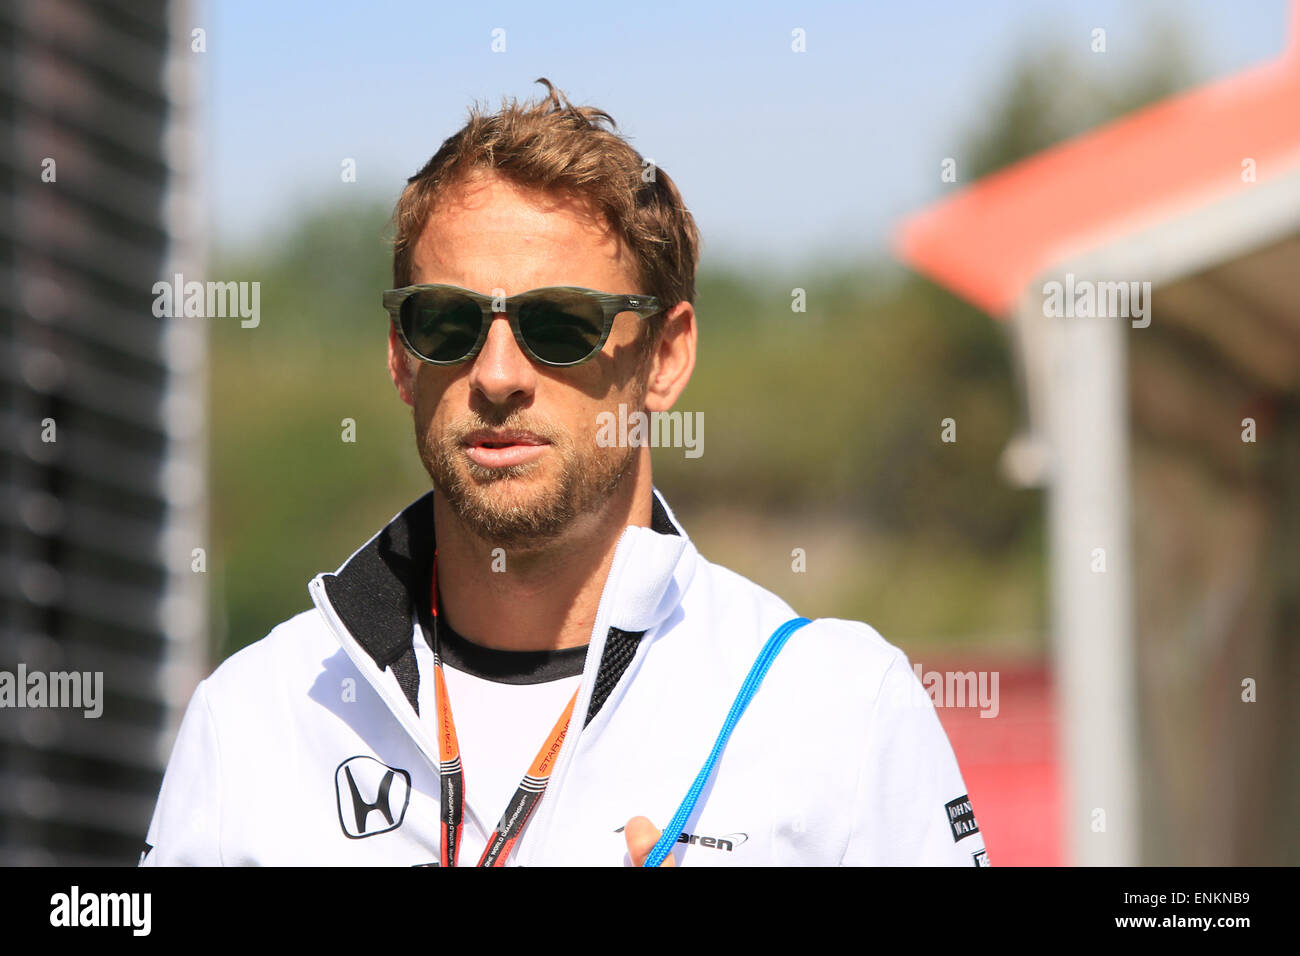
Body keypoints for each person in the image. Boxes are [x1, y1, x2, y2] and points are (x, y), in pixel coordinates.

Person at [141, 78, 988, 867]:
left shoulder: (836, 708)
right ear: (401, 358)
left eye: (560, 323)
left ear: (665, 356)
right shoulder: (253, 717)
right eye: (447, 321)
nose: (499, 374)